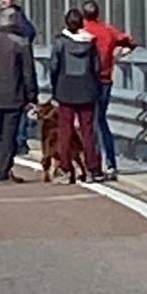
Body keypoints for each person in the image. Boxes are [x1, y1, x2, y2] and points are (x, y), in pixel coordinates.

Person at [0, 9, 39, 183]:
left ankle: (0, 167)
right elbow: (28, 73)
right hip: (14, 95)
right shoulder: (21, 44)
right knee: (9, 135)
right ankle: (4, 168)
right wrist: (32, 96)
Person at [82, 0, 138, 181]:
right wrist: (118, 55)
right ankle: (110, 163)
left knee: (86, 122)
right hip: (105, 80)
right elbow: (131, 41)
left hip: (85, 81)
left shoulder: (81, 32)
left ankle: (91, 162)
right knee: (101, 121)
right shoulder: (107, 31)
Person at [49, 9, 103, 184]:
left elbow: (54, 66)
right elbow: (96, 68)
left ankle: (66, 169)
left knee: (65, 130)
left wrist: (55, 87)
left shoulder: (60, 43)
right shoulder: (90, 43)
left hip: (65, 89)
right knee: (88, 131)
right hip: (87, 89)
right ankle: (92, 169)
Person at [0, 0, 37, 155]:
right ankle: (15, 140)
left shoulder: (16, 16)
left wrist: (20, 46)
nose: (3, 1)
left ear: (13, 0)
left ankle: (20, 141)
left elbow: (30, 33)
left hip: (16, 67)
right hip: (8, 67)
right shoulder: (6, 16)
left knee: (18, 106)